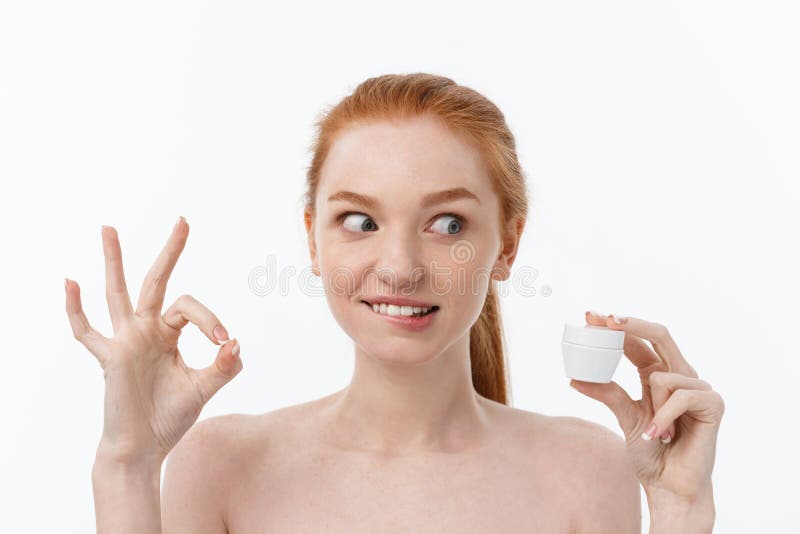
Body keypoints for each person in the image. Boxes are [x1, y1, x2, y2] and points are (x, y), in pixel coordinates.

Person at [65, 73, 724, 533]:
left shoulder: (588, 471)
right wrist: (127, 464)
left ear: (508, 245)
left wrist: (681, 512)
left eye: (448, 225)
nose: (402, 267)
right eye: (360, 222)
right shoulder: (220, 466)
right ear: (313, 241)